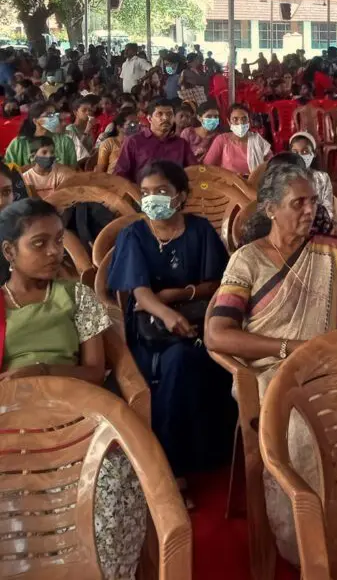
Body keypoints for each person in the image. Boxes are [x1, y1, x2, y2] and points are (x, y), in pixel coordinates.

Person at [206, 162, 337, 564]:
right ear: (270, 209)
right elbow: (218, 334)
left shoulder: (332, 254)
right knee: (306, 423)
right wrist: (292, 349)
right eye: (298, 203)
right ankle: (305, 536)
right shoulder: (247, 260)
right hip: (270, 369)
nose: (309, 210)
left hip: (330, 363)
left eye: (312, 201)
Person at [0, 198, 148, 579]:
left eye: (59, 241)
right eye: (39, 243)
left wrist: (41, 370)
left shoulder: (76, 296)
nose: (53, 252)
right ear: (8, 251)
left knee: (115, 482)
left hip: (76, 409)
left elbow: (96, 371)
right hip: (12, 421)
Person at [106, 160, 235, 480]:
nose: (152, 199)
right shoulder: (133, 233)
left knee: (196, 357)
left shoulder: (200, 229)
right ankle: (168, 465)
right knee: (177, 361)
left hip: (197, 321)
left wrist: (176, 296)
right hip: (150, 330)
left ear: (181, 196)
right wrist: (165, 312)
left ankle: (208, 454)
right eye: (146, 192)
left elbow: (218, 282)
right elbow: (140, 292)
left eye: (162, 191)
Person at [114, 98, 197, 182]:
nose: (165, 118)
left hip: (172, 192)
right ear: (149, 119)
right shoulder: (133, 141)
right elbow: (120, 174)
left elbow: (194, 171)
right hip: (141, 192)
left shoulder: (181, 144)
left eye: (169, 114)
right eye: (159, 114)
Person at [203, 103, 271, 176]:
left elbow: (271, 164)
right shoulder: (222, 140)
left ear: (249, 121)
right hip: (229, 184)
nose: (240, 123)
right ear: (229, 122)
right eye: (235, 119)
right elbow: (207, 167)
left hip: (254, 183)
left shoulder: (257, 140)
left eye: (244, 119)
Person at [4, 100, 77, 168]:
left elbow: (72, 169)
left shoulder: (65, 142)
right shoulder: (18, 144)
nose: (54, 118)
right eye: (48, 115)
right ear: (35, 121)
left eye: (55, 115)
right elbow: (10, 171)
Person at [289, 132, 334, 217]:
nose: (299, 156)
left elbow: (328, 210)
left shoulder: (323, 178)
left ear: (313, 154)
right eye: (295, 152)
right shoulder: (286, 180)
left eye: (305, 151)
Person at [95, 109, 138, 174]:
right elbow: (100, 171)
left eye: (137, 123)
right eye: (131, 124)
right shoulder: (109, 143)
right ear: (119, 127)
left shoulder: (140, 143)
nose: (136, 127)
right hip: (113, 181)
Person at [65, 94, 99, 163]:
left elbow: (90, 149)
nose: (88, 113)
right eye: (84, 110)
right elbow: (77, 150)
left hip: (88, 162)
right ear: (75, 112)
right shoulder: (70, 129)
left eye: (89, 110)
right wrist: (86, 131)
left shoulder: (88, 126)